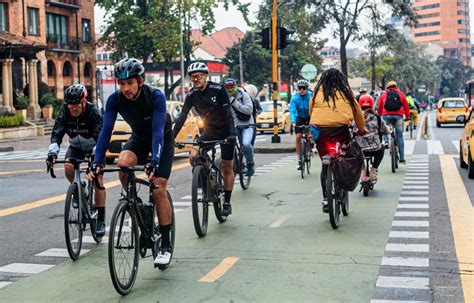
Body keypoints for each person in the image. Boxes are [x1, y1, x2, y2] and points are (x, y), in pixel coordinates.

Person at [87, 58, 175, 266]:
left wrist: (154, 161)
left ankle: (165, 245)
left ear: (141, 81)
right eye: (122, 83)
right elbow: (105, 132)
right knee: (122, 161)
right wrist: (97, 162)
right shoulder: (115, 100)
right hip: (139, 138)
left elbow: (157, 133)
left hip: (161, 138)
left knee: (158, 189)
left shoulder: (155, 97)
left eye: (130, 83)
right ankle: (133, 202)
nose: (125, 88)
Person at [173, 62, 236, 216]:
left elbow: (228, 113)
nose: (195, 80)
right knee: (194, 154)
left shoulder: (219, 89)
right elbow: (182, 116)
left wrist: (232, 133)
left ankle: (226, 202)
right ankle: (203, 178)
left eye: (197, 76)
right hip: (210, 131)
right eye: (192, 78)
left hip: (226, 131)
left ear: (205, 76)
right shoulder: (192, 94)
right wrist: (171, 137)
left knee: (227, 166)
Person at [46, 84, 106, 235]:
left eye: (76, 106)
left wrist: (95, 156)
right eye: (70, 106)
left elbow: (100, 136)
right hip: (76, 147)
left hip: (94, 147)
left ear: (84, 102)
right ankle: (80, 192)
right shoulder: (65, 112)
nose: (73, 109)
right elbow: (57, 133)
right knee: (68, 167)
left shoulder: (93, 112)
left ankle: (100, 219)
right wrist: (52, 154)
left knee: (98, 180)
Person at [309, 68, 366, 213]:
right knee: (344, 156)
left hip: (320, 132)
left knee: (325, 163)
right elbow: (357, 112)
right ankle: (342, 182)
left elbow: (311, 112)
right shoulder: (346, 92)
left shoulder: (316, 93)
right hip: (341, 131)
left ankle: (325, 199)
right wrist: (361, 128)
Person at [354, 95, 389, 181]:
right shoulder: (377, 118)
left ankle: (363, 169)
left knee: (356, 151)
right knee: (382, 148)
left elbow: (351, 131)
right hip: (375, 149)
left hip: (361, 150)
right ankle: (374, 170)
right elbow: (385, 130)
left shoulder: (355, 118)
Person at [224, 78, 255, 176]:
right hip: (233, 126)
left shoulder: (243, 95)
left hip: (247, 125)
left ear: (235, 86)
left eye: (231, 86)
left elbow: (248, 110)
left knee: (246, 144)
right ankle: (236, 164)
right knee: (228, 144)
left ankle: (250, 163)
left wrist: (234, 102)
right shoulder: (223, 97)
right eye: (227, 87)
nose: (229, 89)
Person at [377, 81, 410, 163]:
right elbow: (406, 106)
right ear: (396, 86)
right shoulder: (401, 94)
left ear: (387, 87)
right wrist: (407, 116)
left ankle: (386, 140)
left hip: (386, 116)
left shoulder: (384, 95)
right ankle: (402, 158)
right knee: (399, 136)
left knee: (384, 129)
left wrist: (378, 116)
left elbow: (380, 108)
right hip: (398, 116)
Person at [290, 79, 312, 170]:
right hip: (299, 117)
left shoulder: (311, 96)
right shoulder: (294, 98)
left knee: (312, 133)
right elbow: (292, 110)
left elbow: (315, 108)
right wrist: (293, 122)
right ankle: (299, 159)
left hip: (310, 116)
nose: (302, 90)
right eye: (300, 88)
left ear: (307, 89)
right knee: (298, 137)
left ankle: (311, 146)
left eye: (304, 88)